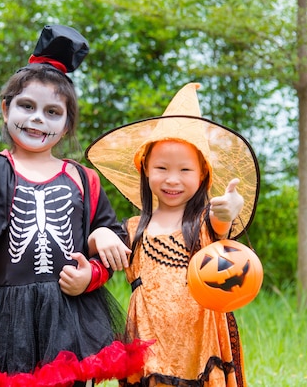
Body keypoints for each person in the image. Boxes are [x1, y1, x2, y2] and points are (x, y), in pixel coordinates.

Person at [0, 25, 150, 387]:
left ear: (66, 123)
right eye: (27, 106)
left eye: (52, 112)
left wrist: (94, 264)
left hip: (69, 312)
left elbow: (107, 235)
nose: (38, 119)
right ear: (5, 109)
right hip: (3, 313)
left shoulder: (82, 177)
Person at [86, 82, 260, 387]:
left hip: (199, 341)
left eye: (185, 170)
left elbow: (223, 225)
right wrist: (99, 234)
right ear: (145, 170)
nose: (172, 180)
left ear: (203, 174)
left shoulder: (205, 223)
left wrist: (229, 209)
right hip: (149, 340)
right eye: (162, 168)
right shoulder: (132, 228)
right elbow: (100, 253)